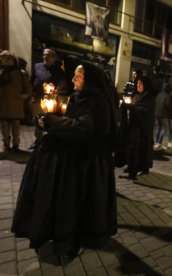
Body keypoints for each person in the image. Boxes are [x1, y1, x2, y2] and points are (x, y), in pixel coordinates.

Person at [12, 62, 118, 258]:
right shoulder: (78, 97)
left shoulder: (97, 101)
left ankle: (79, 238)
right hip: (73, 159)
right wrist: (46, 117)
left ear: (89, 80)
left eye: (77, 76)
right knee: (66, 203)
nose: (72, 80)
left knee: (80, 204)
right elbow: (65, 117)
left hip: (87, 164)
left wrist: (52, 122)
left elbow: (85, 129)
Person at [0, 49, 32, 151]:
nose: (6, 60)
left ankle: (16, 145)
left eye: (9, 58)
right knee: (4, 124)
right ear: (0, 59)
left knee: (15, 125)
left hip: (15, 102)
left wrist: (25, 95)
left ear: (14, 60)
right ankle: (6, 144)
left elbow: (28, 87)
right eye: (4, 58)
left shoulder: (20, 72)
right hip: (1, 102)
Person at [117, 75, 156, 179]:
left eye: (140, 84)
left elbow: (143, 111)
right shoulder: (138, 95)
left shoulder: (149, 98)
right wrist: (126, 105)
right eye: (137, 83)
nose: (137, 85)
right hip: (134, 127)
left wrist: (130, 106)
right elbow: (134, 107)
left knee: (140, 149)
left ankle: (137, 169)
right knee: (132, 148)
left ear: (145, 85)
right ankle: (131, 167)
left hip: (142, 129)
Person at [29, 49, 66, 149]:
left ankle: (48, 140)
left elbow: (62, 85)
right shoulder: (37, 66)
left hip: (51, 100)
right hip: (37, 98)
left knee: (49, 120)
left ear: (54, 58)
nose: (45, 57)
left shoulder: (59, 70)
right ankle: (38, 141)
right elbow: (32, 80)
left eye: (48, 55)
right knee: (37, 120)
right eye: (44, 55)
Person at [154, 83, 171, 149]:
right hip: (163, 114)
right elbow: (168, 105)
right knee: (165, 128)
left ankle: (156, 142)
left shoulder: (159, 95)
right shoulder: (167, 96)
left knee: (158, 128)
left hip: (156, 114)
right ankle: (159, 142)